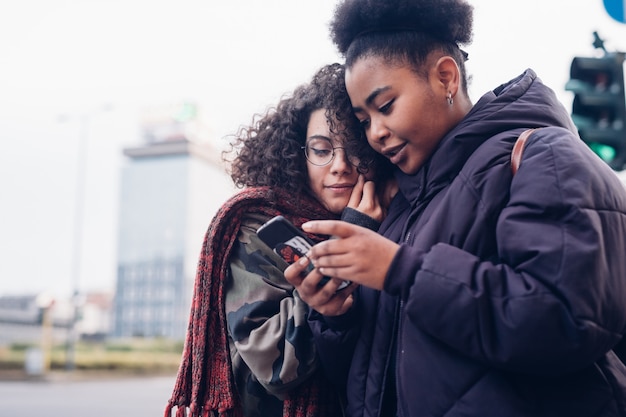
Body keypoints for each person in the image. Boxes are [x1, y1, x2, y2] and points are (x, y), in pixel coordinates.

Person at [284, 1, 626, 416]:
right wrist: (335, 317)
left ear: (445, 77)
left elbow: (566, 323)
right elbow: (365, 386)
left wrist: (402, 270)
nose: (375, 133)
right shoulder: (398, 210)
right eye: (363, 119)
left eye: (386, 105)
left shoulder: (544, 157)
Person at [164, 62, 393, 417]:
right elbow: (274, 363)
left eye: (356, 149)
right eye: (321, 149)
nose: (340, 165)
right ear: (297, 153)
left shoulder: (392, 219)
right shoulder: (260, 224)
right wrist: (353, 234)